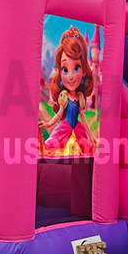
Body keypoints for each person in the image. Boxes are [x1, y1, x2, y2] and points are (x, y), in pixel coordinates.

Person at [40, 26, 97, 157]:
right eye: (65, 70)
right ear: (60, 72)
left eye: (76, 68)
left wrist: (90, 135)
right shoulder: (64, 97)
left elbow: (83, 117)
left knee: (85, 149)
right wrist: (49, 123)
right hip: (64, 128)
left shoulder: (80, 97)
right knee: (52, 147)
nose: (70, 76)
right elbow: (59, 114)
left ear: (83, 71)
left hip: (78, 128)